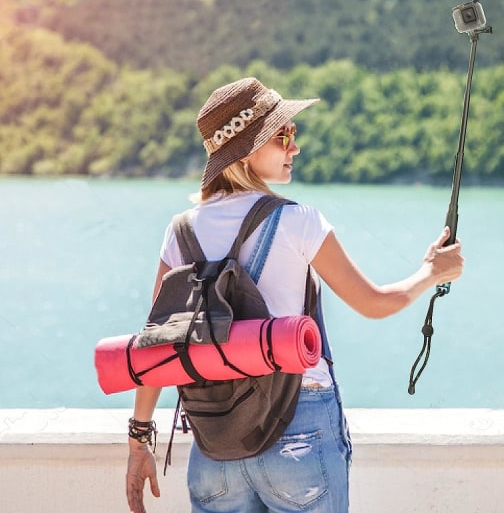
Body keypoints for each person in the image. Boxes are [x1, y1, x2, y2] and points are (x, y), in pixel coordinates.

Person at [125, 77, 464, 513]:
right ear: (247, 150)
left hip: (215, 443)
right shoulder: (299, 220)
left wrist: (138, 438)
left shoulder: (181, 231)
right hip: (299, 425)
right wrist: (432, 271)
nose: (295, 147)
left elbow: (158, 345)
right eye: (283, 135)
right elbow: (376, 303)